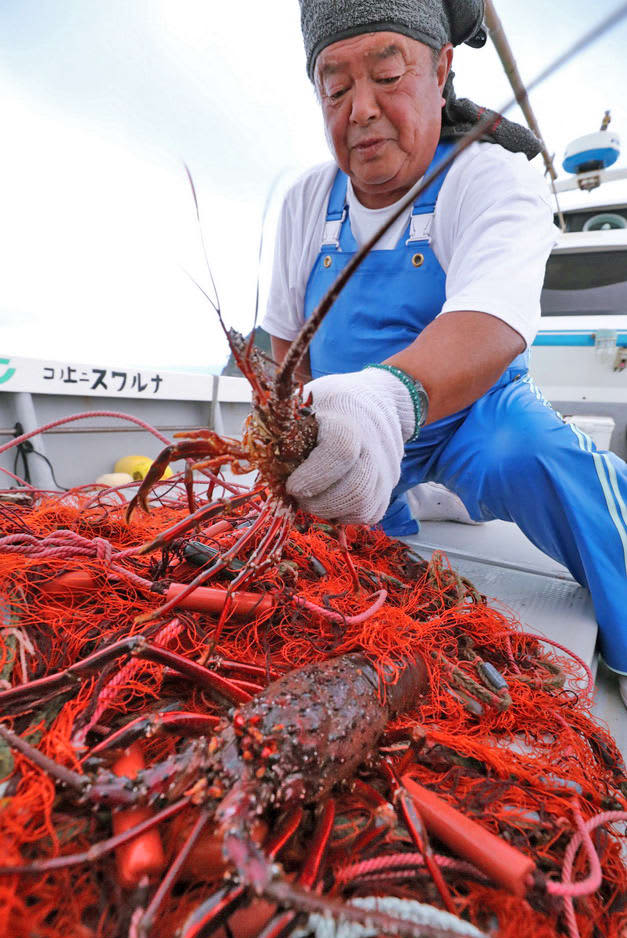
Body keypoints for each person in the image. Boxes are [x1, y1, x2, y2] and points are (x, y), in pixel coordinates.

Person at [261, 0, 627, 704]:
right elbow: (286, 348)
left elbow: (490, 319)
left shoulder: (488, 170)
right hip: (348, 434)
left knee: (527, 453)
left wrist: (387, 399)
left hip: (472, 417)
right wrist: (298, 442)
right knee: (310, 559)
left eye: (387, 73)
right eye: (334, 88)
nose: (360, 109)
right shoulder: (307, 199)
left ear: (441, 69)